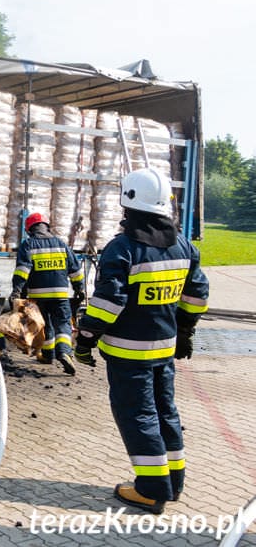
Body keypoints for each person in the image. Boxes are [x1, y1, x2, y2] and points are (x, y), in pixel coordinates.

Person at [75, 167, 209, 514]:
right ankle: (173, 483)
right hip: (164, 348)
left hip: (127, 352)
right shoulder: (183, 244)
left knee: (139, 416)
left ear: (128, 202)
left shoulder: (123, 248)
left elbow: (109, 302)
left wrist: (86, 337)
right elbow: (197, 294)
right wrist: (185, 331)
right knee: (166, 412)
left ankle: (151, 490)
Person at [9, 212, 84, 375]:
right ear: (46, 226)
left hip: (38, 296)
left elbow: (22, 271)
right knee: (63, 323)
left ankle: (48, 354)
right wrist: (80, 289)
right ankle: (63, 351)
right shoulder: (61, 244)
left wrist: (16, 291)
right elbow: (76, 270)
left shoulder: (28, 245)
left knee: (45, 324)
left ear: (29, 229)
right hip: (60, 295)